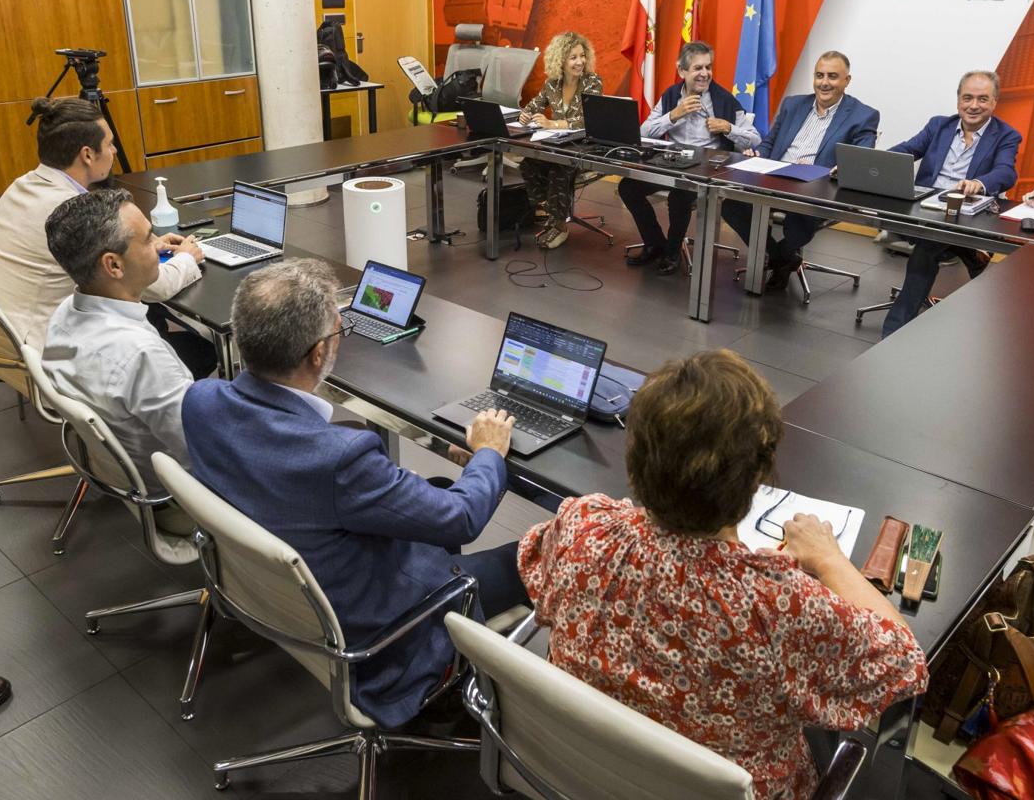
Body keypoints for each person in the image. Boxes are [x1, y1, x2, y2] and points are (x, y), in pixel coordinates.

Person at [518, 349, 927, 800]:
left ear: (634, 458)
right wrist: (828, 558)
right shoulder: (780, 606)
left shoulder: (583, 526)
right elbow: (905, 661)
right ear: (755, 477)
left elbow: (534, 565)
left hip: (577, 772)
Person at [181, 259, 531, 728]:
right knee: (542, 551)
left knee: (441, 486)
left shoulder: (200, 402)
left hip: (286, 597)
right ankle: (460, 669)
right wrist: (489, 454)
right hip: (376, 630)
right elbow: (463, 517)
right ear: (318, 353)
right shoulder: (339, 458)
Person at [0, 96, 214, 379]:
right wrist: (188, 259)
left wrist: (143, 245)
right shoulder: (69, 211)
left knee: (150, 316)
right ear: (88, 155)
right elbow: (155, 287)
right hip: (51, 353)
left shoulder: (19, 187)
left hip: (6, 337)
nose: (115, 151)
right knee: (199, 348)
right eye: (110, 144)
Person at [40, 189, 196, 510]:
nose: (157, 247)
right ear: (113, 265)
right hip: (178, 499)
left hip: (125, 474)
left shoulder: (62, 316)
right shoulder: (141, 356)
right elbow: (200, 453)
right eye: (149, 239)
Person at [881, 71, 1022, 337]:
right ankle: (969, 252)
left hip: (966, 214)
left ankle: (893, 332)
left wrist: (979, 183)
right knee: (926, 234)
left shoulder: (1006, 135)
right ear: (958, 100)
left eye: (983, 99)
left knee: (927, 246)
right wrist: (870, 163)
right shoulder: (939, 126)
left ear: (994, 102)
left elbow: (1006, 172)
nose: (973, 105)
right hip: (925, 207)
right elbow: (905, 150)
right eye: (967, 97)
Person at [722, 52, 880, 290]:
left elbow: (861, 160)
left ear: (847, 80)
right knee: (731, 202)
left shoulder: (863, 115)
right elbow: (768, 143)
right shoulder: (793, 104)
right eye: (819, 75)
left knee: (801, 214)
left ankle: (781, 257)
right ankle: (782, 257)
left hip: (816, 187)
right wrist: (757, 155)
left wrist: (826, 170)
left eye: (833, 76)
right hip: (773, 177)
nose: (824, 82)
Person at [620, 41, 761, 275]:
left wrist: (728, 128)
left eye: (708, 67)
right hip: (670, 163)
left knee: (680, 195)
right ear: (682, 71)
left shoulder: (724, 100)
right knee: (628, 187)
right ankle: (655, 242)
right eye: (698, 68)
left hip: (705, 170)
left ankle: (672, 252)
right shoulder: (671, 95)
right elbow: (643, 132)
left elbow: (755, 140)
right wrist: (673, 116)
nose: (705, 74)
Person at [518, 31, 603, 249]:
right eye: (573, 57)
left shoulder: (592, 82)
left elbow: (588, 120)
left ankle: (559, 225)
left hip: (583, 149)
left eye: (582, 56)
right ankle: (551, 211)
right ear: (561, 60)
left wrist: (553, 124)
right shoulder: (552, 84)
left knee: (558, 169)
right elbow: (531, 107)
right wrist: (525, 115)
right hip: (556, 146)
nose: (580, 62)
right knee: (528, 164)